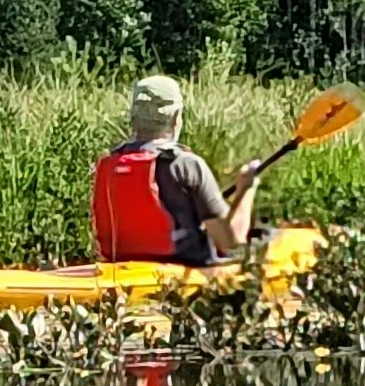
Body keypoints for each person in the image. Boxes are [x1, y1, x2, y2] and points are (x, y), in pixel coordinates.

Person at [92, 75, 257, 268]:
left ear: (134, 117)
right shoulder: (186, 165)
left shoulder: (109, 164)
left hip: (121, 273)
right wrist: (246, 188)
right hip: (182, 274)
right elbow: (231, 240)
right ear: (176, 118)